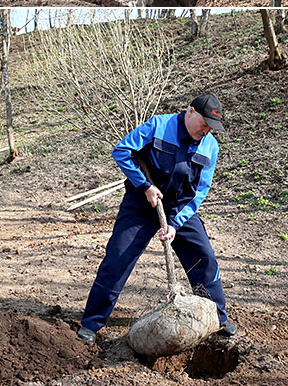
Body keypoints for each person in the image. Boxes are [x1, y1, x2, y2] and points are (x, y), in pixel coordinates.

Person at [77, 94, 236, 345]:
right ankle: (92, 323)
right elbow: (122, 151)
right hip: (141, 203)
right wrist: (145, 186)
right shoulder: (159, 126)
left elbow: (200, 191)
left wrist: (175, 222)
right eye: (204, 123)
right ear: (190, 111)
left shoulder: (210, 146)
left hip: (179, 207)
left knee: (203, 256)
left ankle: (218, 316)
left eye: (211, 127)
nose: (206, 131)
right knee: (117, 259)